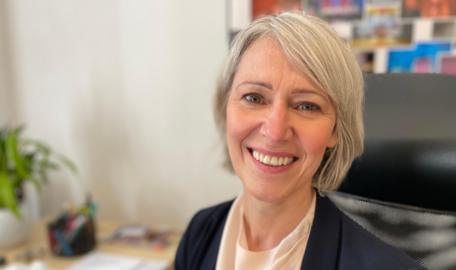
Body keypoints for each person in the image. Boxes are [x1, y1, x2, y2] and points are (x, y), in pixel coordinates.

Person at [175, 12, 424, 270]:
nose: (275, 131)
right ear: (226, 107)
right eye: (254, 98)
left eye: (306, 105)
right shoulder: (200, 233)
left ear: (336, 130)